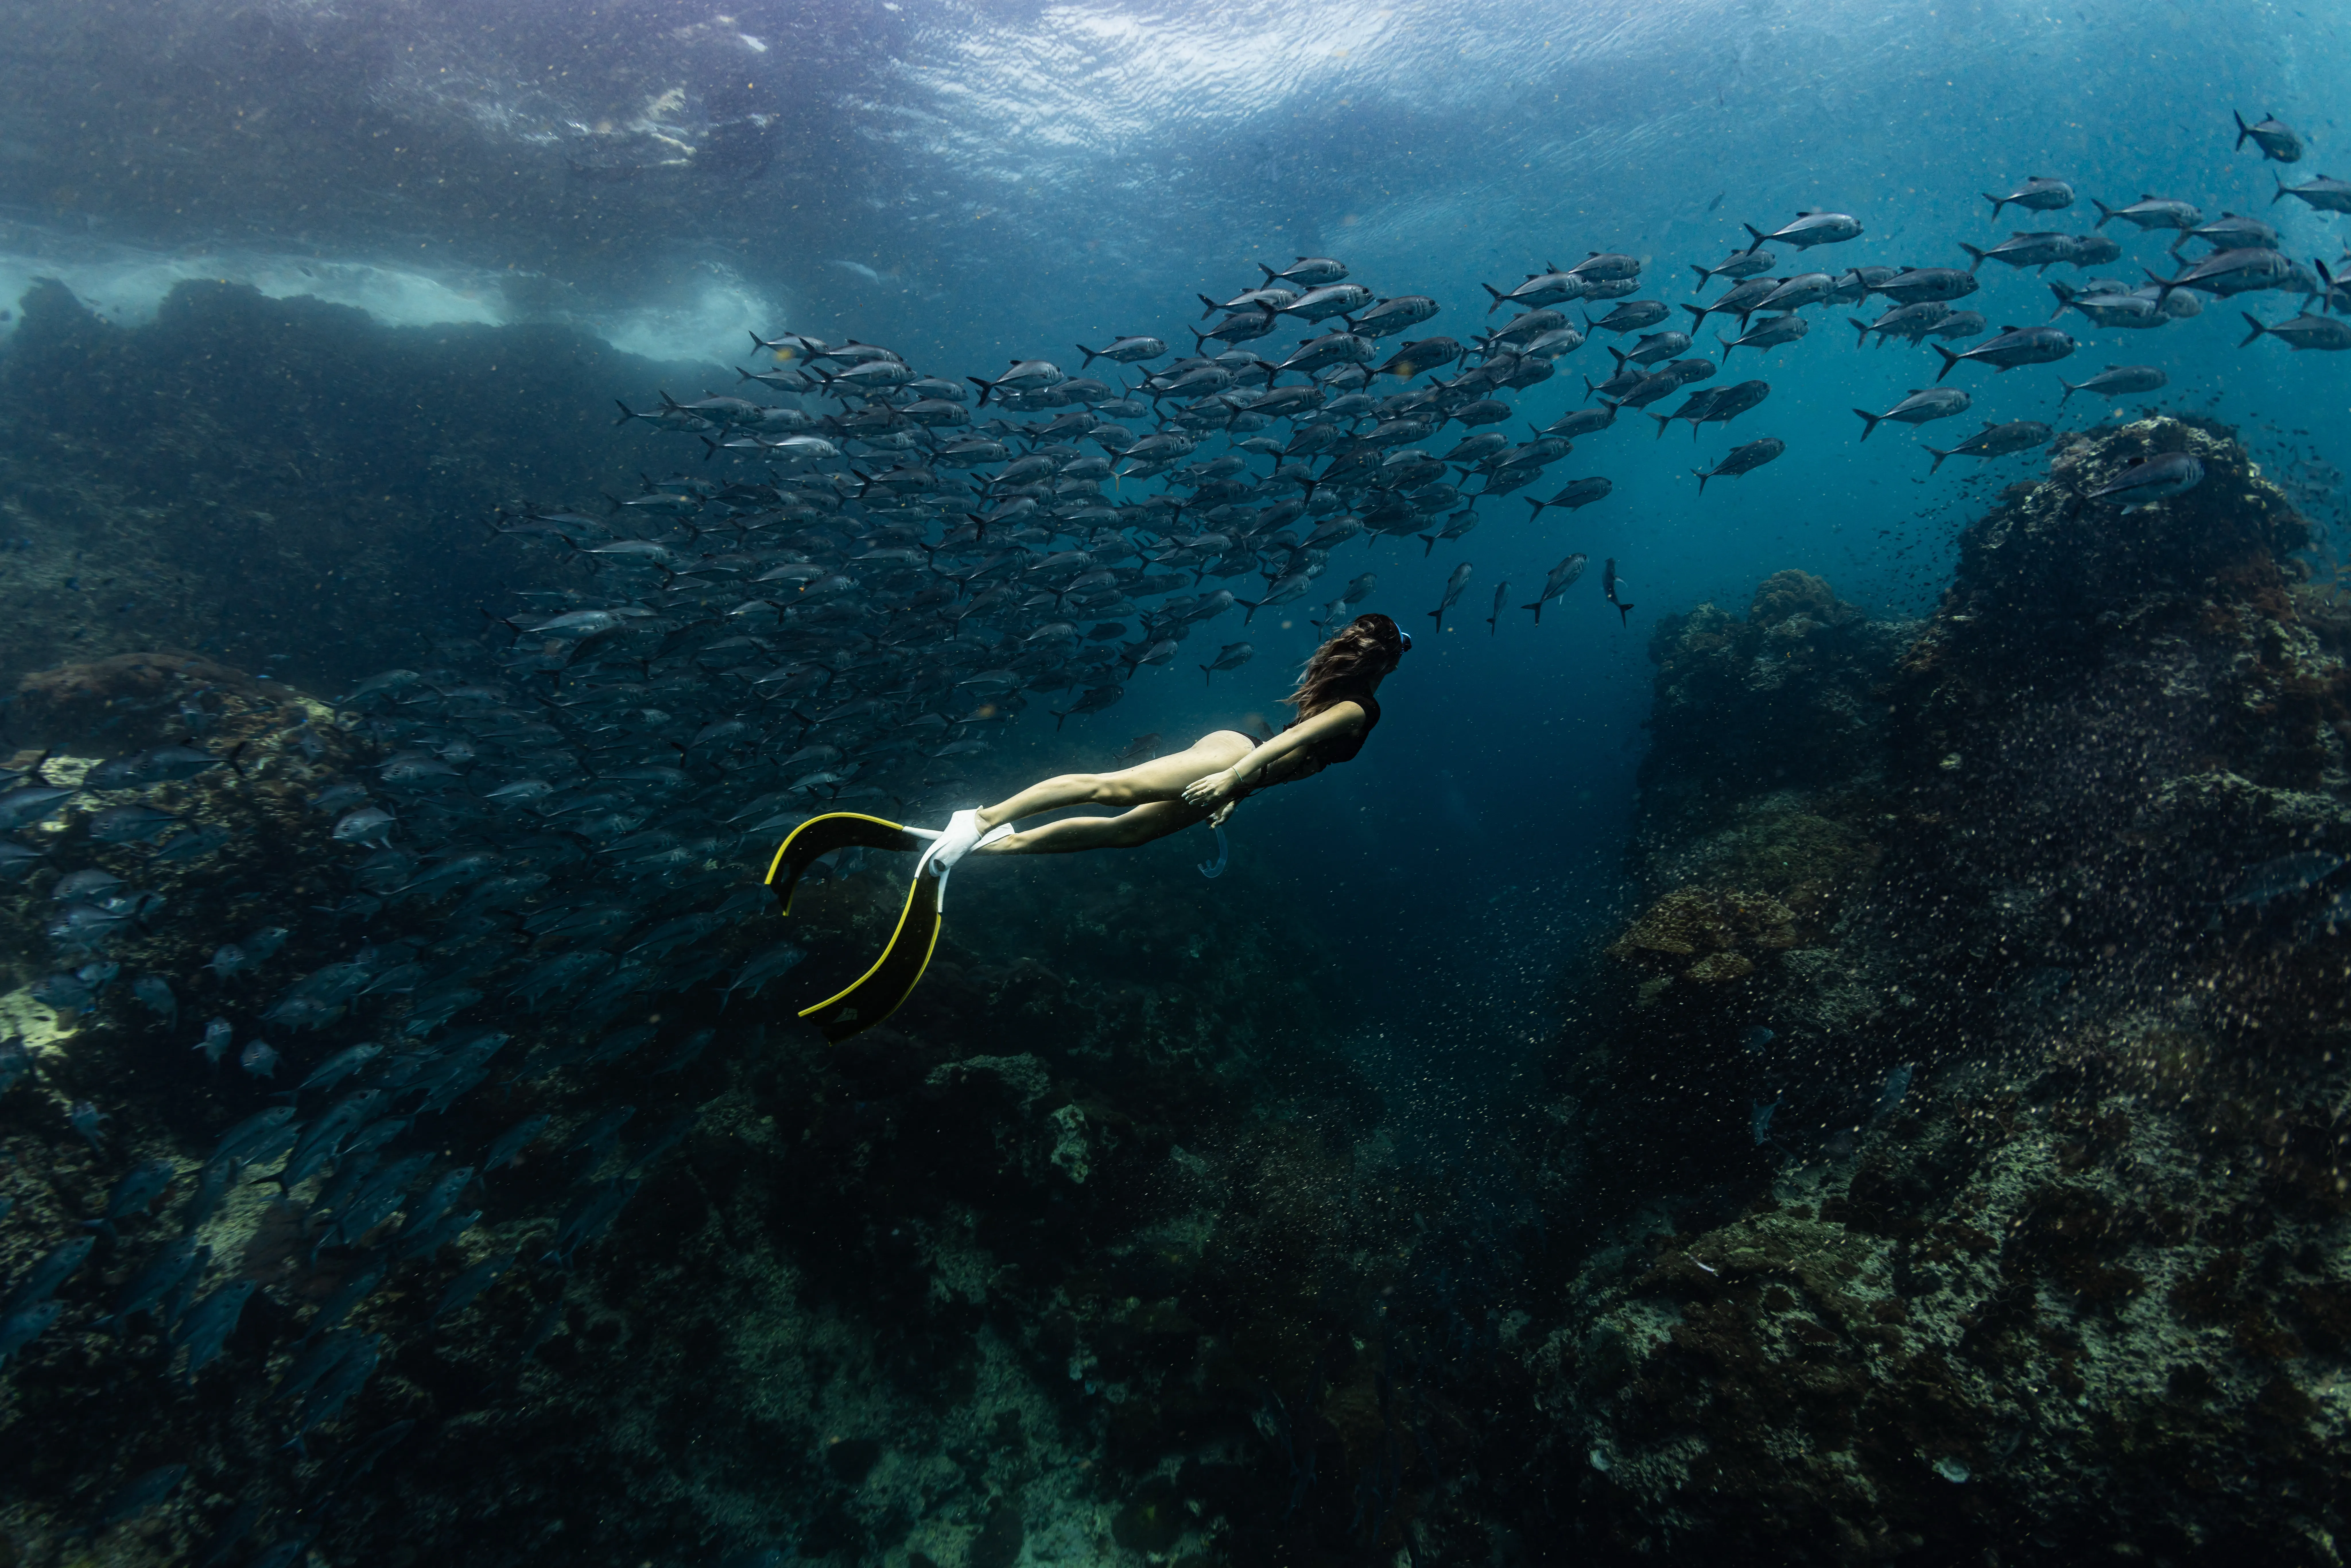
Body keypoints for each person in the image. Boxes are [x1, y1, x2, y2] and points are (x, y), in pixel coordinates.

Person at [765, 614, 1409, 1039]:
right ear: (1383, 665)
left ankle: (977, 850)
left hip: (1244, 768)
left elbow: (1289, 756)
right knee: (1113, 788)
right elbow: (1284, 747)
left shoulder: (1349, 694)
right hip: (1236, 754)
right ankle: (980, 818)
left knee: (1124, 831)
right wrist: (1235, 779)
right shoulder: (1358, 707)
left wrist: (1236, 796)